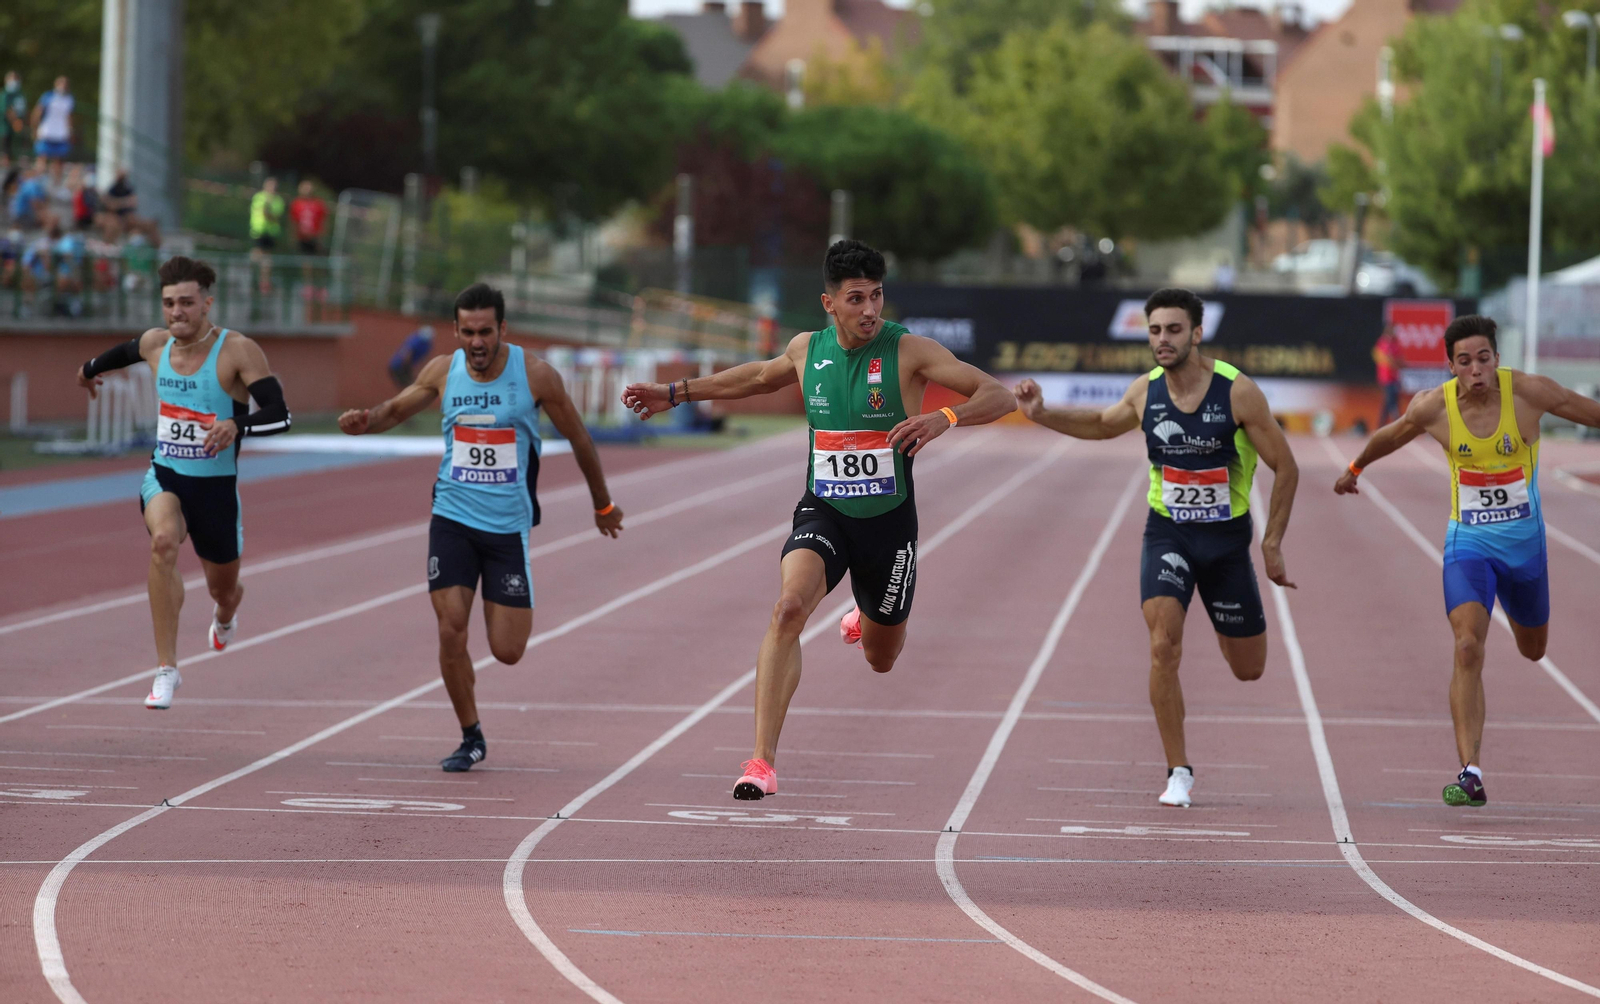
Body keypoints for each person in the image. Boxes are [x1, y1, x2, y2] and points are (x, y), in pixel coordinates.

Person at [621, 240, 1017, 801]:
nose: (870, 310)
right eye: (856, 298)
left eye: (877, 296)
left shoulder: (908, 351)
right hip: (824, 510)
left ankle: (865, 611)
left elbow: (998, 395)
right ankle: (761, 762)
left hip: (888, 523)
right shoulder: (809, 349)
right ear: (829, 303)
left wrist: (943, 416)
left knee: (882, 659)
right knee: (787, 609)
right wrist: (674, 393)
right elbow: (759, 377)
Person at [1013, 288, 1300, 808]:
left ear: (1196, 333)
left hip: (1227, 543)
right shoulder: (1145, 392)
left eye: (1172, 330)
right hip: (1168, 532)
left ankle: (1226, 619)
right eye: (1154, 331)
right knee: (1163, 644)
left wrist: (1272, 542)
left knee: (1248, 668)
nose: (1162, 340)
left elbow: (1287, 467)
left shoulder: (1238, 392)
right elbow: (1102, 426)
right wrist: (1042, 414)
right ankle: (1178, 771)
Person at [338, 283, 624, 772]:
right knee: (451, 629)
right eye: (467, 331)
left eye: (485, 332)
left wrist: (603, 505)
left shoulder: (536, 376)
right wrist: (367, 421)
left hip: (506, 529)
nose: (476, 342)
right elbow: (396, 408)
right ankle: (470, 736)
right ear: (455, 330)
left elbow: (579, 438)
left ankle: (476, 717)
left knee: (507, 650)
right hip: (452, 517)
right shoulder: (442, 371)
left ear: (502, 329)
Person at [1334, 314, 1600, 807]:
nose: (1475, 369)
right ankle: (1470, 772)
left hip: (1525, 551)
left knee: (1533, 649)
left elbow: (1589, 411)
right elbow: (1392, 435)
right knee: (1467, 647)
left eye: (1483, 358)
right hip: (1468, 544)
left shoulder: (1530, 393)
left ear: (1496, 359)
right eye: (1464, 361)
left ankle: (1523, 631)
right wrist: (1355, 468)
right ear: (1450, 366)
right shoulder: (1433, 407)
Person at [75, 256, 292, 709]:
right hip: (166, 476)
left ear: (207, 304)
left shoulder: (237, 350)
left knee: (223, 589)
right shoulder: (156, 344)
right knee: (163, 544)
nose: (177, 312)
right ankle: (166, 670)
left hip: (214, 490)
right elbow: (120, 354)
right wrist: (88, 370)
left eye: (187, 303)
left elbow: (280, 414)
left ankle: (226, 615)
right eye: (169, 303)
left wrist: (239, 426)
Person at [249, 177, 284, 291]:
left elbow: (274, 215)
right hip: (259, 231)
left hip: (271, 232)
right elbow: (261, 212)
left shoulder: (278, 200)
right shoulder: (259, 197)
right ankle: (253, 277)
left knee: (267, 257)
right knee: (257, 253)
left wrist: (269, 210)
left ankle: (264, 282)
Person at [30, 76, 73, 160]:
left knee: (58, 161)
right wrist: (35, 128)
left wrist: (70, 130)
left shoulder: (69, 99)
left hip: (61, 134)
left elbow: (69, 116)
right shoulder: (48, 96)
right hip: (46, 132)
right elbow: (37, 112)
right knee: (42, 159)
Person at [1374, 323, 1402, 428]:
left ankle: (1380, 426)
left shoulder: (1395, 344)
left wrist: (1397, 363)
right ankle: (1398, 425)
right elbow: (1387, 359)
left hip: (1394, 377)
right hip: (1386, 377)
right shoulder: (1382, 343)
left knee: (1388, 402)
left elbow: (1400, 359)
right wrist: (1395, 363)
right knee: (1392, 402)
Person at [288, 181, 326, 255]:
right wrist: (292, 236)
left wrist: (321, 237)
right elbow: (293, 221)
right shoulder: (296, 204)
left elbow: (323, 221)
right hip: (301, 237)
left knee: (313, 259)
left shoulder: (318, 204)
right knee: (303, 259)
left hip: (314, 237)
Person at [2, 73, 26, 160]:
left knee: (16, 152)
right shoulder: (5, 95)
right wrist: (15, 122)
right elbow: (6, 110)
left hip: (17, 129)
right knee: (6, 150)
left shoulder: (20, 95)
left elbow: (24, 110)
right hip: (6, 128)